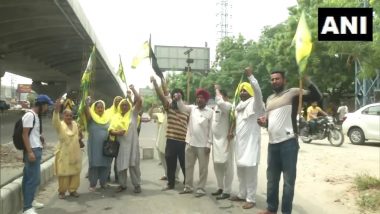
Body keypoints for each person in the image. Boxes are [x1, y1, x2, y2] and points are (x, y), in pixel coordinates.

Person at [258, 71, 322, 214]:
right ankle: (271, 208)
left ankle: (286, 212)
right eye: (272, 79)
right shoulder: (269, 99)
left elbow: (317, 96)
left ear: (284, 80)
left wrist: (307, 80)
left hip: (288, 143)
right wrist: (263, 122)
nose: (274, 81)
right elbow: (268, 123)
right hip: (272, 144)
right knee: (272, 180)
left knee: (288, 182)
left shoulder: (292, 93)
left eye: (277, 79)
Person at [229, 67, 265, 209]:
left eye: (245, 90)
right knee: (241, 171)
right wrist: (231, 131)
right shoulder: (239, 106)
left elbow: (258, 92)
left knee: (250, 172)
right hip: (240, 144)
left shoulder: (256, 104)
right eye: (241, 90)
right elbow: (235, 123)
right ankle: (242, 194)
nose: (243, 92)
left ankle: (251, 198)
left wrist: (251, 77)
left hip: (251, 145)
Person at [151, 76, 188, 191]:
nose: (176, 96)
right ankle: (170, 183)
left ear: (181, 97)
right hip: (171, 140)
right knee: (170, 162)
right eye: (174, 95)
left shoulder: (187, 109)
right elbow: (162, 96)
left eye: (178, 95)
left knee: (184, 164)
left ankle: (188, 182)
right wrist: (156, 84)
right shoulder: (169, 107)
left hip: (183, 141)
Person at [176, 88, 213, 198]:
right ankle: (188, 187)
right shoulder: (192, 109)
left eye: (201, 98)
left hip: (203, 146)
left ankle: (201, 188)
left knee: (203, 168)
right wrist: (179, 99)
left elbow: (211, 129)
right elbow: (182, 108)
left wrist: (209, 144)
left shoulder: (210, 112)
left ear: (206, 100)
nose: (199, 99)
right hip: (190, 143)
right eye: (197, 97)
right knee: (188, 166)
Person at [21, 94, 53, 214]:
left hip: (36, 148)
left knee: (28, 178)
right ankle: (27, 207)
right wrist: (29, 152)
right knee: (33, 179)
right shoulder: (30, 115)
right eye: (46, 105)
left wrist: (40, 137)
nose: (47, 108)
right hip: (32, 150)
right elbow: (24, 135)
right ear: (41, 105)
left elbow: (32, 133)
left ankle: (31, 201)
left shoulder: (35, 116)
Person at [109, 85, 142, 193]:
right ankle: (122, 185)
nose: (124, 106)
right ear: (119, 107)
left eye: (126, 105)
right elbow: (110, 130)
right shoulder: (115, 117)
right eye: (122, 105)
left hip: (132, 145)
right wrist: (117, 132)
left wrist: (133, 90)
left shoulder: (132, 114)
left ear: (129, 106)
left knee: (134, 165)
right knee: (121, 165)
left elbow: (139, 100)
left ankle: (137, 185)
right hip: (121, 145)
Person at [52, 99, 82, 199]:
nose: (69, 117)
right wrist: (56, 111)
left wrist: (80, 136)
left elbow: (79, 136)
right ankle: (62, 192)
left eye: (70, 115)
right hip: (64, 152)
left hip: (75, 152)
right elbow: (55, 122)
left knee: (75, 173)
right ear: (63, 116)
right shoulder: (60, 125)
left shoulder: (75, 124)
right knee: (63, 174)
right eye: (67, 115)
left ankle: (73, 190)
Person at [211, 85, 234, 200]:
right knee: (217, 165)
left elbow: (220, 102)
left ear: (225, 97)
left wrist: (217, 90)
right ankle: (220, 187)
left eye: (220, 95)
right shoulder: (215, 108)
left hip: (226, 141)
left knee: (227, 165)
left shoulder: (229, 106)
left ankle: (227, 190)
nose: (218, 98)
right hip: (215, 142)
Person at [85, 98, 112, 192]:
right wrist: (87, 104)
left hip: (106, 147)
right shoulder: (91, 119)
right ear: (94, 109)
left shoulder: (108, 118)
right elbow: (87, 113)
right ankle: (92, 184)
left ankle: (103, 183)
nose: (100, 109)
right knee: (94, 165)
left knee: (105, 165)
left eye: (102, 107)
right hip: (94, 147)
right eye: (98, 107)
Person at [106, 96, 123, 183]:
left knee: (118, 160)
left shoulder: (123, 112)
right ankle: (107, 175)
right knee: (109, 158)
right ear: (114, 102)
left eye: (120, 101)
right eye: (116, 100)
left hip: (120, 139)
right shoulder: (108, 112)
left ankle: (117, 176)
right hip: (111, 139)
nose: (118, 102)